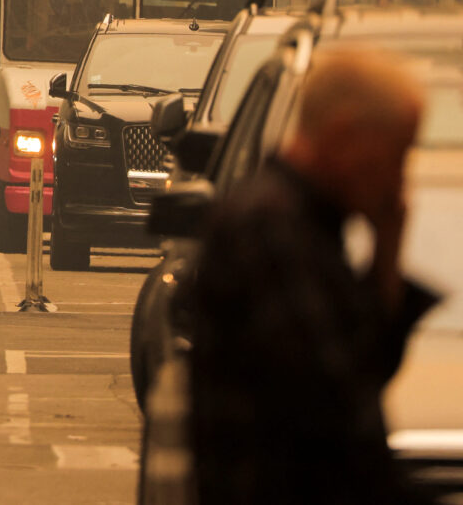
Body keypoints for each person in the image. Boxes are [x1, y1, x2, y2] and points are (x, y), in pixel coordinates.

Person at [184, 50, 437, 505]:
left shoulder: (306, 225)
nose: (398, 180)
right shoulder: (272, 230)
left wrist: (387, 247)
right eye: (394, 154)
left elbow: (361, 366)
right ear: (343, 136)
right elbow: (337, 403)